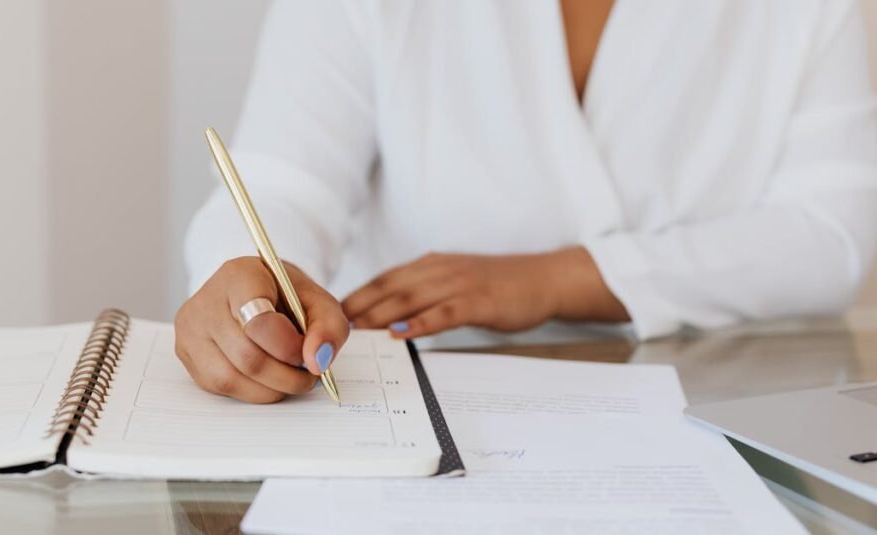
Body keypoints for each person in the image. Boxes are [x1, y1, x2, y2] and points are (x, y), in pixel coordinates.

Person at [176, 0, 877, 403]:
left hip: (722, 415)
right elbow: (281, 187)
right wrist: (251, 284)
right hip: (416, 410)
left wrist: (557, 278)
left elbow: (831, 234)